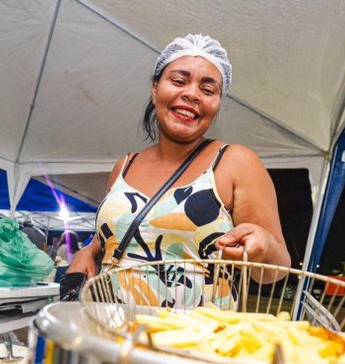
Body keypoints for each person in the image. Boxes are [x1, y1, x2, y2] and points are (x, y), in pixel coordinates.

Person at [67, 34, 290, 295]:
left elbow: (277, 269)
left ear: (217, 104)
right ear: (155, 89)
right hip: (109, 327)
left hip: (192, 333)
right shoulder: (125, 166)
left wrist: (264, 247)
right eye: (179, 81)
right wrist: (89, 250)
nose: (191, 94)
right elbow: (121, 232)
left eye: (207, 90)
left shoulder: (235, 162)